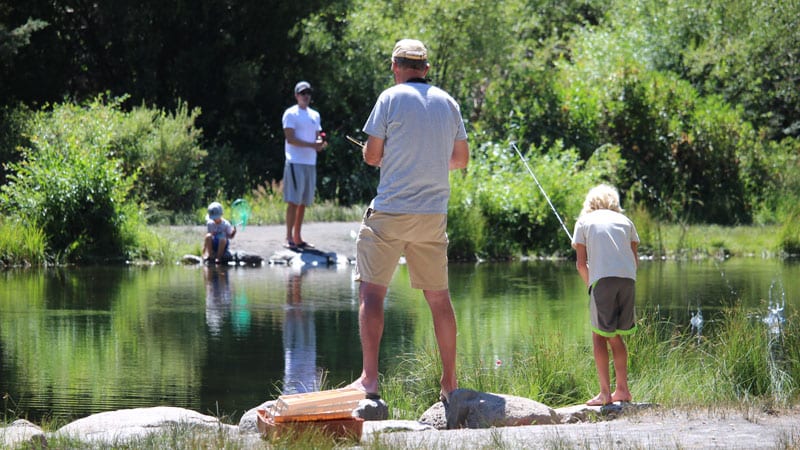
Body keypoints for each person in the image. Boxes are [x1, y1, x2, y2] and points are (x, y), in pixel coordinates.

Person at [347, 39, 470, 404]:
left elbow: (371, 155)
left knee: (372, 292)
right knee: (439, 298)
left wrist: (397, 160)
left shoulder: (389, 98)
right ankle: (450, 383)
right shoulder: (448, 102)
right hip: (432, 215)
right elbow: (460, 159)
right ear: (427, 69)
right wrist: (427, 161)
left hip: (391, 212)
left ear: (395, 66)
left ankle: (370, 380)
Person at [571, 184, 639, 406]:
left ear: (590, 204)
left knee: (599, 336)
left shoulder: (583, 222)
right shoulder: (626, 222)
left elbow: (581, 264)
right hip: (628, 280)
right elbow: (634, 259)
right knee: (615, 334)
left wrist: (593, 286)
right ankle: (623, 390)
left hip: (604, 282)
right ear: (614, 203)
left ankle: (604, 394)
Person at [281, 80, 327, 250]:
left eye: (308, 93)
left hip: (310, 162)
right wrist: (312, 145)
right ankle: (288, 238)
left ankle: (298, 237)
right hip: (295, 161)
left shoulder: (315, 115)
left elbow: (317, 136)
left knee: (303, 202)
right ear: (296, 95)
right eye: (302, 93)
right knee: (293, 201)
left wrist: (320, 143)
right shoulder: (290, 114)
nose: (306, 96)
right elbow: (290, 138)